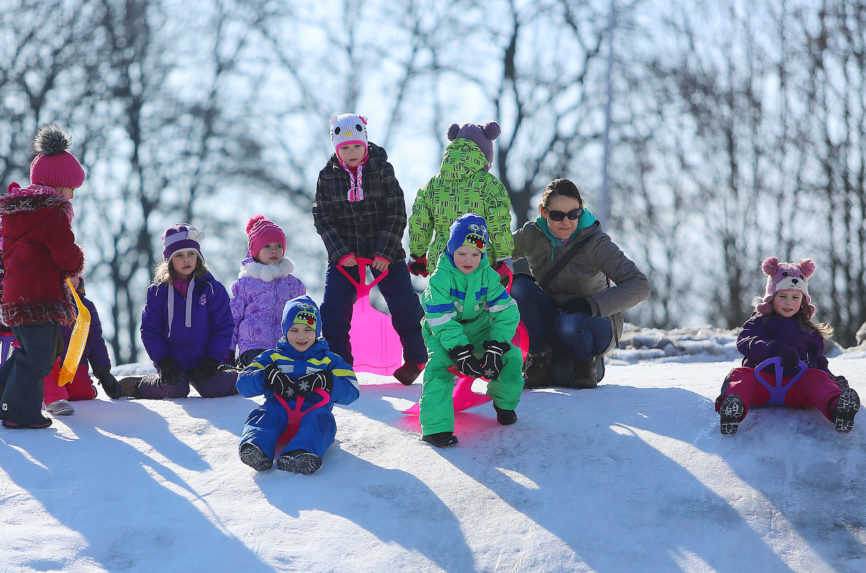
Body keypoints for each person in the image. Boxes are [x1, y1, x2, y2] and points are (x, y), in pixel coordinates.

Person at [313, 113, 427, 385]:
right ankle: (340, 365)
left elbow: (397, 212)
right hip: (346, 258)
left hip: (384, 255)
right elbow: (323, 217)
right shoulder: (327, 177)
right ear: (336, 148)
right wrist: (341, 253)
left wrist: (384, 253)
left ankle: (416, 356)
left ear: (365, 143)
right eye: (345, 148)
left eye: (356, 146)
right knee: (334, 309)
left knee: (404, 304)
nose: (351, 153)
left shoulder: (382, 169)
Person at [511, 178, 650, 388]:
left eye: (573, 214)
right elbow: (488, 253)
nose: (566, 222)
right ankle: (539, 358)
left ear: (581, 211)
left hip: (593, 322)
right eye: (557, 215)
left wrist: (592, 305)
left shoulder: (595, 242)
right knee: (519, 287)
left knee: (570, 324)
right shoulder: (532, 236)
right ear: (543, 212)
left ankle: (586, 364)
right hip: (553, 317)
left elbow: (640, 285)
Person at [0, 125, 85, 429]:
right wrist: (76, 263)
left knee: (30, 351)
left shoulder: (18, 212)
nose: (72, 196)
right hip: (39, 296)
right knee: (39, 355)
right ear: (57, 186)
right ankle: (18, 411)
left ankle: (4, 400)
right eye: (70, 189)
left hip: (17, 296)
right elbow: (64, 252)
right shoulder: (51, 212)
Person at [715, 257, 860, 435]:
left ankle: (838, 408)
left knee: (815, 378)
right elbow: (744, 342)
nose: (789, 302)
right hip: (762, 382)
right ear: (771, 298)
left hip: (796, 386)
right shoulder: (759, 322)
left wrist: (832, 381)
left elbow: (819, 362)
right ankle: (733, 409)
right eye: (782, 296)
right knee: (741, 376)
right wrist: (773, 348)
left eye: (795, 297)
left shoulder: (808, 330)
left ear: (803, 300)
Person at [419, 214, 523, 448]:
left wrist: (496, 346)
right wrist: (460, 351)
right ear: (451, 250)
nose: (468, 260)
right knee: (439, 368)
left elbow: (507, 311)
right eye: (462, 253)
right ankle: (436, 428)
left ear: (483, 254)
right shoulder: (440, 278)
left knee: (512, 356)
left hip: (479, 327)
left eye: (475, 254)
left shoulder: (487, 275)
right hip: (441, 332)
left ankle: (504, 403)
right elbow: (441, 318)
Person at [237, 295, 359, 474]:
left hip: (313, 412)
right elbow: (243, 384)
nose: (301, 336)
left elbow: (352, 390)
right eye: (294, 330)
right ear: (285, 331)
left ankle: (300, 453)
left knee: (322, 422)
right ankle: (257, 448)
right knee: (263, 415)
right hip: (279, 410)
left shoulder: (329, 360)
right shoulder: (272, 357)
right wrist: (266, 377)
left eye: (307, 330)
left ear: (317, 331)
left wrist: (328, 381)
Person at [116, 224, 237, 399]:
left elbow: (224, 326)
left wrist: (213, 359)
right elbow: (150, 330)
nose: (186, 259)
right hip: (172, 361)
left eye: (191, 254)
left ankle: (251, 378)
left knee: (213, 388)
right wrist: (163, 361)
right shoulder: (158, 292)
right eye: (179, 255)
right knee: (176, 390)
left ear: (198, 257)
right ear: (169, 260)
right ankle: (139, 386)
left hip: (204, 360)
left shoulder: (212, 289)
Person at [408, 121, 514, 278]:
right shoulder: (490, 185)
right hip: (479, 261)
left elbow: (420, 222)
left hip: (441, 262)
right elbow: (498, 223)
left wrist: (418, 255)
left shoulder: (432, 185)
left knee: (441, 301)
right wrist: (504, 257)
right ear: (485, 157)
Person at [230, 215, 305, 368]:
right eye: (267, 246)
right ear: (255, 251)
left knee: (292, 369)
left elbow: (305, 315)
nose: (274, 250)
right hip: (253, 346)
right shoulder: (245, 284)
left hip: (286, 346)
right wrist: (228, 352)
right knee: (265, 368)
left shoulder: (293, 285)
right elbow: (233, 319)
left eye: (278, 245)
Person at [42, 276, 121, 415]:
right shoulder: (47, 305)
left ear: (79, 279)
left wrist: (103, 373)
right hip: (51, 364)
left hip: (76, 364)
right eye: (63, 275)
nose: (68, 280)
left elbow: (95, 341)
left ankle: (86, 389)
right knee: (47, 386)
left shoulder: (86, 307)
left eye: (73, 275)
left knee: (81, 393)